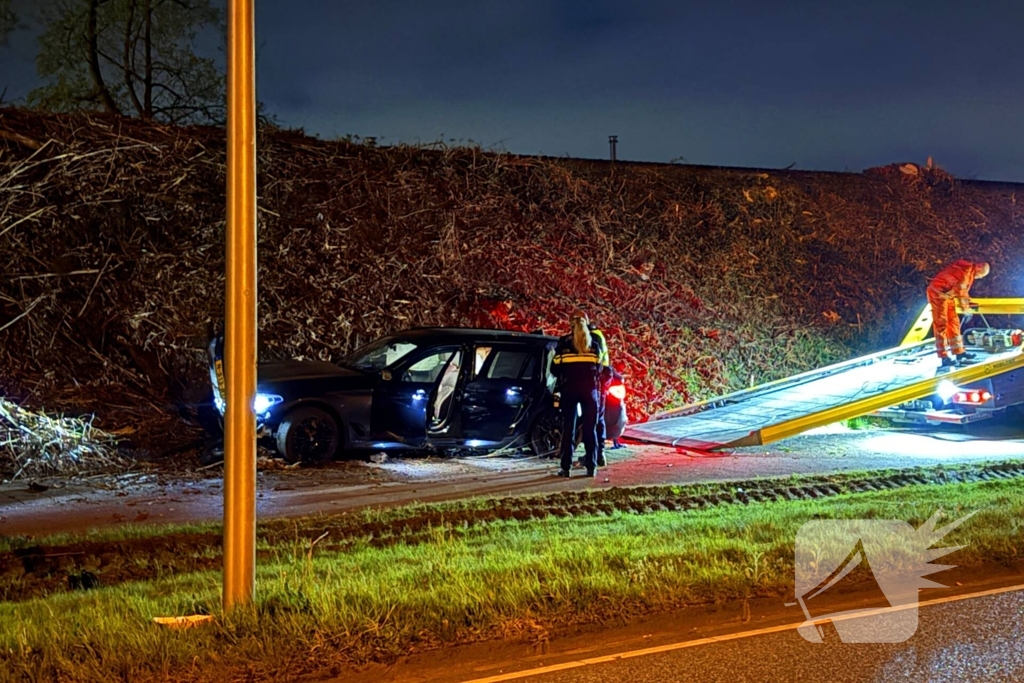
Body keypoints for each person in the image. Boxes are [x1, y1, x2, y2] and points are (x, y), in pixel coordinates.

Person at [551, 310, 605, 478]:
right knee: (591, 430)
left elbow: (554, 369)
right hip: (590, 392)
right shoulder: (594, 345)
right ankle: (591, 467)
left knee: (569, 429)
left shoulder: (564, 344)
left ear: (571, 325)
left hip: (570, 391)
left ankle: (566, 468)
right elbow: (600, 369)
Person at [927, 260, 990, 367]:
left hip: (947, 295)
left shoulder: (968, 271)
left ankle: (959, 352)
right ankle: (943, 356)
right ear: (979, 268)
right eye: (981, 275)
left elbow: (962, 291)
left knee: (953, 322)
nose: (980, 278)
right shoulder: (965, 273)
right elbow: (961, 292)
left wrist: (968, 302)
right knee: (941, 325)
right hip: (938, 294)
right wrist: (965, 310)